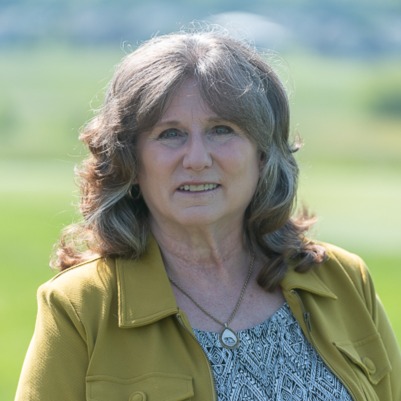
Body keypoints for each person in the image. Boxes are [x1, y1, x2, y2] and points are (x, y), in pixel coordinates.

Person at [16, 28, 400, 401]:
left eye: (222, 130)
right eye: (170, 133)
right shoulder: (79, 308)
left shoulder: (344, 280)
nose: (197, 159)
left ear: (262, 154)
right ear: (130, 160)